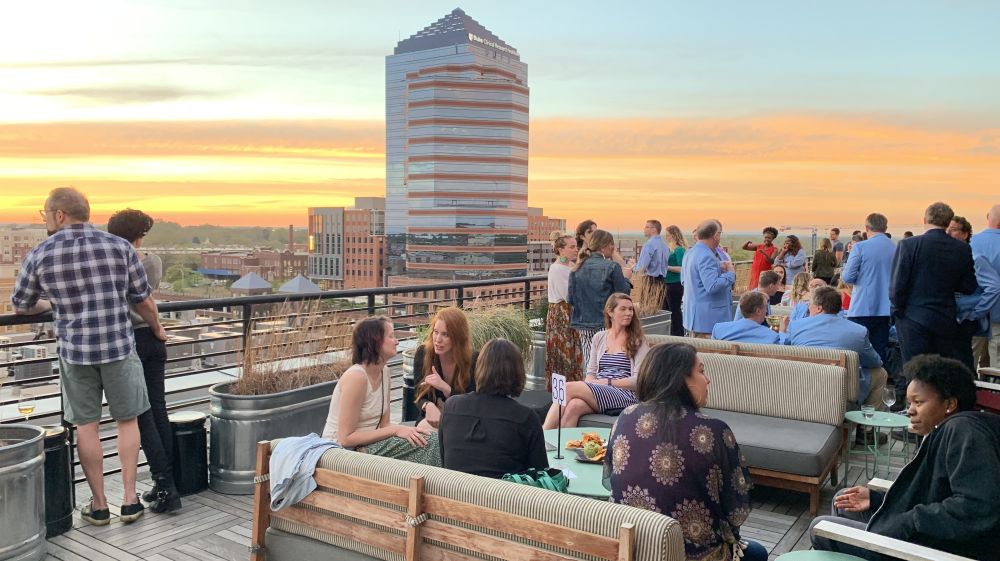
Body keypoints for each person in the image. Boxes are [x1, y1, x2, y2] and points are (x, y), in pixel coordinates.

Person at [11, 187, 166, 525]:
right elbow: (142, 298)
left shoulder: (40, 254)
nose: (46, 219)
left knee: (86, 427)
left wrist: (49, 305)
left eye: (45, 214)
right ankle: (129, 500)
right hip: (119, 347)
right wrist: (157, 328)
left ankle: (97, 505)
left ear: (59, 215)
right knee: (128, 421)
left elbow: (21, 304)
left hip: (76, 353)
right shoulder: (120, 247)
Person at [809, 355, 1000, 561]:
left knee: (819, 528)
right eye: (909, 402)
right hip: (932, 535)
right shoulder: (955, 429)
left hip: (943, 551)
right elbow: (934, 495)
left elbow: (977, 507)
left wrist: (909, 521)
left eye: (918, 402)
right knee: (844, 501)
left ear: (950, 404)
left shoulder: (964, 432)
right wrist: (878, 499)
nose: (910, 410)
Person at [604, 343, 768, 561]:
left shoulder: (625, 417)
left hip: (635, 549)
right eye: (701, 371)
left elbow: (611, 481)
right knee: (758, 553)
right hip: (693, 555)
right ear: (680, 379)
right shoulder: (715, 430)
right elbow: (736, 510)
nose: (707, 379)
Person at [107, 209, 181, 514]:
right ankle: (169, 482)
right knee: (158, 410)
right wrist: (157, 327)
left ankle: (165, 486)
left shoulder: (111, 262)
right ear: (139, 235)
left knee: (142, 415)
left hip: (129, 339)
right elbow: (146, 296)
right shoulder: (151, 261)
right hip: (153, 338)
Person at [322, 316, 439, 465]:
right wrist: (396, 430)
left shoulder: (385, 372)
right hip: (340, 454)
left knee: (430, 438)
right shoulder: (356, 377)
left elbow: (385, 425)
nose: (396, 341)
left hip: (369, 447)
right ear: (375, 342)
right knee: (430, 444)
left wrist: (404, 431)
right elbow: (345, 438)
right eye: (391, 336)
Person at [781, 286, 887, 442]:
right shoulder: (858, 331)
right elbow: (875, 362)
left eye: (809, 303)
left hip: (801, 388)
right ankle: (866, 430)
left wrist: (783, 332)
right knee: (880, 373)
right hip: (841, 392)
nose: (807, 307)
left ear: (818, 308)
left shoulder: (797, 326)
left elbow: (785, 351)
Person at [438, 338, 548, 478]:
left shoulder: (451, 407)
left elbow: (446, 462)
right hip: (502, 498)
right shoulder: (525, 418)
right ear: (517, 372)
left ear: (479, 368)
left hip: (453, 495)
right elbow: (540, 477)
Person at [891, 202, 978, 373]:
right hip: (945, 318)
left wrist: (898, 312)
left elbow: (897, 287)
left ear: (924, 219)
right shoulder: (961, 249)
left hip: (912, 318)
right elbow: (968, 287)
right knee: (939, 374)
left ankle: (915, 401)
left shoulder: (909, 245)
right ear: (948, 222)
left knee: (915, 373)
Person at [543, 293, 650, 429]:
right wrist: (588, 386)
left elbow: (639, 380)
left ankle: (543, 436)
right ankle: (562, 448)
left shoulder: (639, 341)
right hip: (600, 389)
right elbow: (591, 372)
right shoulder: (599, 337)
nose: (628, 313)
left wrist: (607, 382)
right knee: (574, 406)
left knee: (566, 388)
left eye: (631, 309)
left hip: (626, 394)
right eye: (623, 309)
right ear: (610, 312)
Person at [569, 229, 632, 361]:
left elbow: (570, 299)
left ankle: (590, 382)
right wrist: (626, 279)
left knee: (589, 362)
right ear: (603, 247)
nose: (613, 248)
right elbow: (623, 296)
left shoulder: (576, 268)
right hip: (606, 323)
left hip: (583, 323)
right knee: (607, 363)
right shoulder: (612, 267)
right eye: (611, 244)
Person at [841, 213, 895, 365]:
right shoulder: (895, 248)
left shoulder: (860, 247)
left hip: (861, 307)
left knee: (855, 352)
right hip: (886, 308)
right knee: (879, 352)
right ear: (885, 227)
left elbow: (847, 277)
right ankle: (878, 386)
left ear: (866, 228)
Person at [411, 307, 476, 430]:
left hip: (464, 422)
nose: (438, 340)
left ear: (459, 337)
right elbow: (418, 393)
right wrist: (427, 405)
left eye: (445, 334)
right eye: (436, 332)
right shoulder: (423, 353)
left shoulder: (473, 361)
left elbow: (472, 405)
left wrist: (446, 389)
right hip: (431, 421)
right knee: (423, 430)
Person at [681, 219, 736, 337]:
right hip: (709, 322)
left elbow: (685, 281)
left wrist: (718, 267)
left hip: (694, 318)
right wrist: (730, 274)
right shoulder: (707, 255)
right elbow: (712, 286)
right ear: (715, 235)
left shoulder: (690, 253)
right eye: (719, 234)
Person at [545, 232, 583, 383]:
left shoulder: (568, 265)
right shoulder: (559, 268)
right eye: (572, 247)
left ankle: (569, 383)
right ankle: (565, 385)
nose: (576, 250)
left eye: (576, 246)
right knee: (564, 349)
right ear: (561, 249)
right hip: (562, 312)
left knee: (569, 348)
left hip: (567, 311)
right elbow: (568, 296)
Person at [970, 204, 1000, 368]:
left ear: (989, 218)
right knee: (997, 362)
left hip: (976, 310)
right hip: (998, 316)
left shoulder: (973, 242)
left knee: (972, 357)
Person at [631, 219, 668, 316]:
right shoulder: (665, 245)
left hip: (649, 281)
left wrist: (632, 266)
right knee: (658, 311)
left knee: (646, 311)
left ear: (653, 229)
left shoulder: (649, 245)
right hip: (662, 281)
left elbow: (641, 267)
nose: (644, 229)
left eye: (647, 227)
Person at [712, 291, 780, 344]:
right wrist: (783, 332)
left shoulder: (718, 329)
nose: (766, 311)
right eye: (765, 307)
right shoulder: (772, 337)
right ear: (758, 311)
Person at [663, 225, 687, 336]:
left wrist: (666, 267)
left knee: (675, 312)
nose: (666, 237)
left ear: (673, 235)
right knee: (668, 311)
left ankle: (678, 335)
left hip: (675, 284)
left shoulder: (679, 250)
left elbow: (682, 268)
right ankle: (671, 334)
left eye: (667, 235)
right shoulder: (671, 249)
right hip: (668, 284)